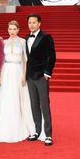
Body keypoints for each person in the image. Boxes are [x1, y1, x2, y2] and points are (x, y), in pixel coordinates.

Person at [0, 20, 36, 143]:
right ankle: (5, 127)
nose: (12, 31)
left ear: (18, 30)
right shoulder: (3, 42)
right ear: (8, 30)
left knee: (17, 98)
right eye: (10, 29)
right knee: (6, 98)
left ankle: (20, 124)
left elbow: (25, 60)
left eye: (14, 29)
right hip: (5, 72)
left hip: (17, 71)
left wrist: (24, 76)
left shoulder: (23, 42)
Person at [25, 13, 56, 146]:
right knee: (33, 104)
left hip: (41, 76)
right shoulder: (25, 38)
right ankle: (37, 131)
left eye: (34, 22)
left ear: (39, 23)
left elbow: (52, 56)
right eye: (29, 23)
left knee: (44, 104)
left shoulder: (46, 37)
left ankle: (48, 134)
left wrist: (47, 73)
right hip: (30, 76)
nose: (31, 25)